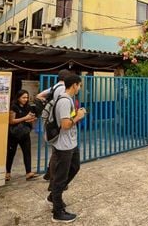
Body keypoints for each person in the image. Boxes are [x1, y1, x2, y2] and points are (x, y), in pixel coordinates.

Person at [46, 74, 86, 223]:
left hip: (71, 143)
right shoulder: (64, 101)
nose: (80, 88)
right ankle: (57, 212)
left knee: (75, 167)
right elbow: (65, 125)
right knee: (60, 177)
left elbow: (68, 119)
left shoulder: (69, 100)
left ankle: (53, 196)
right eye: (80, 85)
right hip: (63, 145)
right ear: (74, 85)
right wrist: (79, 116)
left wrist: (76, 113)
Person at [36, 69, 71, 181]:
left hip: (51, 120)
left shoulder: (54, 87)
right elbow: (63, 105)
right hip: (59, 122)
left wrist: (48, 104)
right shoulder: (63, 89)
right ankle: (53, 178)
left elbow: (39, 96)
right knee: (58, 152)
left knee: (56, 150)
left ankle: (48, 173)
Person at [6, 90, 39, 181]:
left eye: (27, 97)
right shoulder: (14, 107)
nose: (25, 99)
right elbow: (11, 121)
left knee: (27, 152)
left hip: (24, 133)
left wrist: (32, 119)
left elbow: (29, 118)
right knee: (11, 153)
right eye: (23, 97)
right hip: (14, 134)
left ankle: (28, 173)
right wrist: (25, 118)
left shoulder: (28, 107)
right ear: (18, 98)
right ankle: (7, 173)